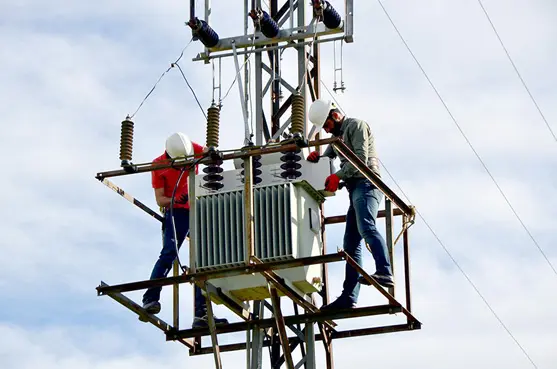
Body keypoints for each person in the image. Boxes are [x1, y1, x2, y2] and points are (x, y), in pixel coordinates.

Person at [307, 99, 394, 310]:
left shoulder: (356, 126)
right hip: (355, 188)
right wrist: (315, 159)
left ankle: (384, 271)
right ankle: (349, 296)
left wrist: (337, 175)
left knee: (366, 227)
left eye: (327, 125)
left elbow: (360, 161)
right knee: (351, 244)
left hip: (367, 184)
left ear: (335, 116)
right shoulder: (337, 138)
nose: (327, 131)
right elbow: (326, 159)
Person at [142, 132, 228, 328]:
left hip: (196, 210)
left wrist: (213, 153)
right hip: (176, 214)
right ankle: (150, 298)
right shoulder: (158, 165)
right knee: (169, 254)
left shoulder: (190, 147)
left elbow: (208, 153)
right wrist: (175, 199)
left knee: (202, 260)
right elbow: (160, 199)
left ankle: (201, 313)